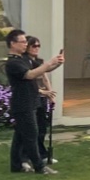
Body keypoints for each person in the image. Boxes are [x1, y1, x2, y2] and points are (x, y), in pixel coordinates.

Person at [2, 29, 63, 174]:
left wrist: (58, 63)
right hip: (22, 104)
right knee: (31, 136)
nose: (26, 44)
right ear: (13, 43)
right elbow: (30, 75)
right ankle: (39, 167)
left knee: (20, 136)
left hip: (31, 102)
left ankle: (16, 166)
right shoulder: (13, 63)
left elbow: (42, 70)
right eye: (22, 41)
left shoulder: (23, 59)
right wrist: (50, 62)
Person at [29, 35, 57, 168]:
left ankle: (42, 154)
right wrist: (42, 92)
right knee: (32, 130)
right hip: (32, 97)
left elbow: (45, 78)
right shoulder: (25, 63)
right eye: (34, 46)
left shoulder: (40, 62)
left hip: (42, 98)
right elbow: (29, 83)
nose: (36, 48)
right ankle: (29, 156)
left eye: (38, 46)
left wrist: (50, 93)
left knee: (42, 128)